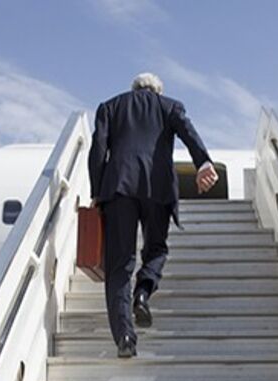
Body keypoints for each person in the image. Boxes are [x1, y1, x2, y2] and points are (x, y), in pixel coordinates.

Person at [88, 72, 219, 357]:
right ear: (157, 91)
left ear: (134, 89)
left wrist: (97, 191)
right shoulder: (170, 106)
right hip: (157, 187)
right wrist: (203, 162)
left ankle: (124, 336)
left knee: (119, 263)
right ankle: (144, 292)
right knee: (156, 248)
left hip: (119, 188)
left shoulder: (110, 107)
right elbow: (188, 132)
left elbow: (98, 149)